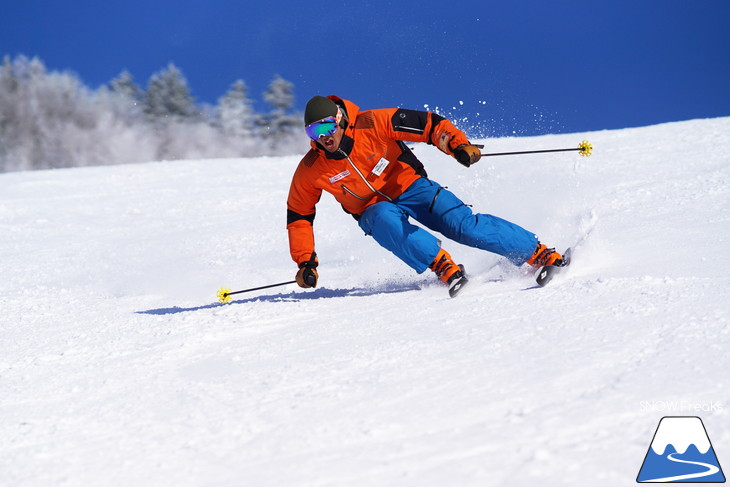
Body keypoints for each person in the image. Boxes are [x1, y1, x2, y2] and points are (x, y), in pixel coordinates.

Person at [286, 95, 564, 297]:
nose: (322, 137)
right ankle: (443, 266)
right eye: (314, 132)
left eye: (325, 127)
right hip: (374, 209)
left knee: (463, 226)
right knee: (381, 217)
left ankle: (541, 254)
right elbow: (299, 215)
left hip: (412, 187)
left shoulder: (372, 122)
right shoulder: (312, 168)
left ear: (339, 119)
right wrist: (306, 262)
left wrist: (458, 145)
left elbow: (428, 125)